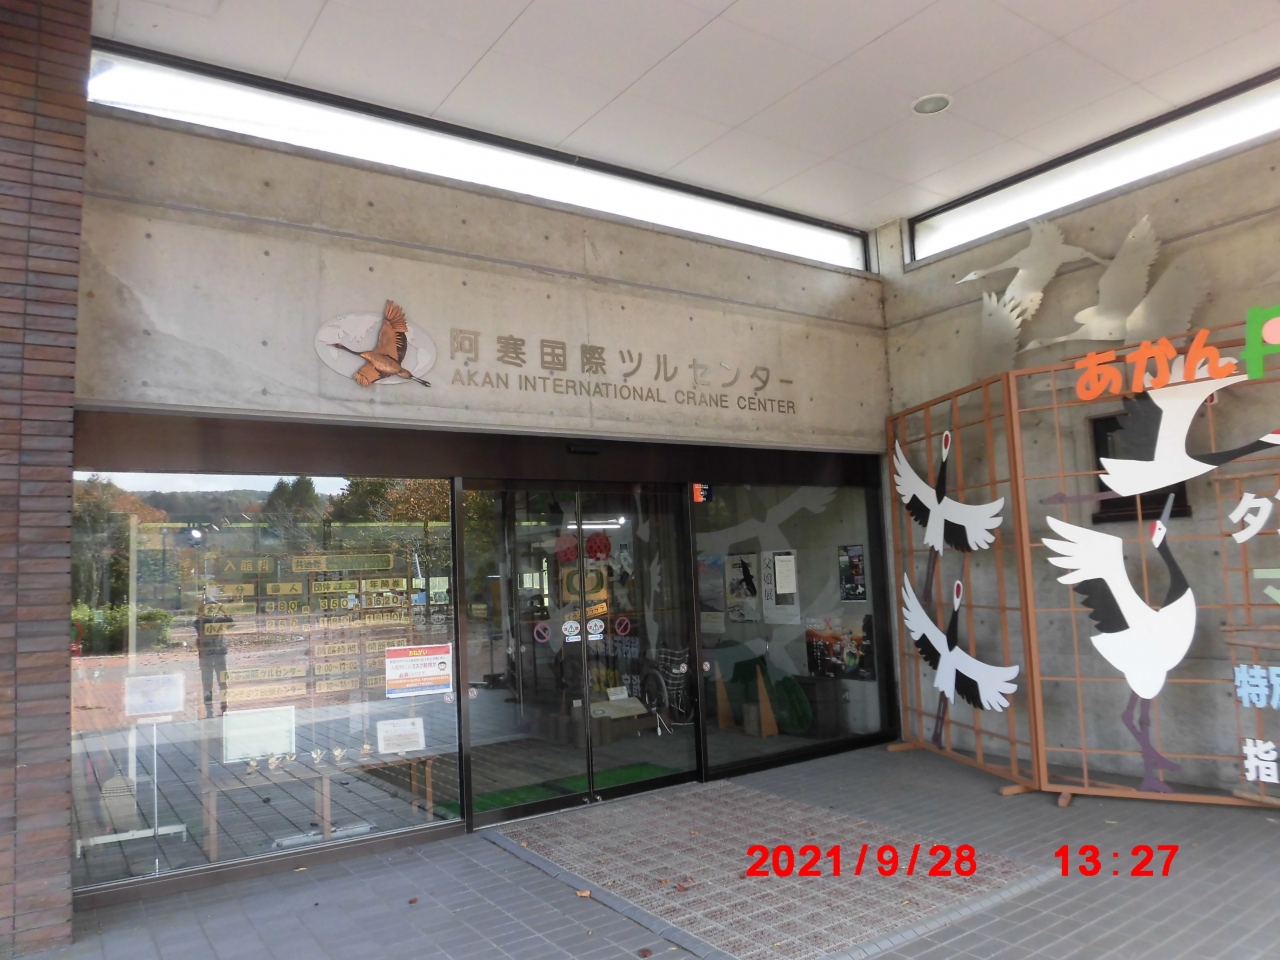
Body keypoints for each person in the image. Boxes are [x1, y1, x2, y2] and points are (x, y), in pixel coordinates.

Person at [193, 600, 232, 717]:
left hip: (220, 653)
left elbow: (231, 623)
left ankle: (224, 707)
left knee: (223, 682)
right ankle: (209, 709)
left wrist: (224, 611)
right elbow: (199, 627)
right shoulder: (200, 621)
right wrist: (202, 614)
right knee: (207, 683)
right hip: (206, 655)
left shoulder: (220, 619)